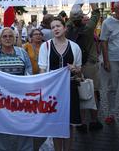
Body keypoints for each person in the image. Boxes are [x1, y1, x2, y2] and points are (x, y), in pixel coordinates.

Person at [38, 17, 82, 151]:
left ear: (65, 28)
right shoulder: (46, 46)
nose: (55, 29)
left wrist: (75, 70)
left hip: (70, 88)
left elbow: (79, 72)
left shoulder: (75, 47)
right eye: (53, 27)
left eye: (58, 26)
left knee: (69, 124)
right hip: (53, 91)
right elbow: (42, 71)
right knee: (56, 124)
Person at [0, 27, 33, 151]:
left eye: (10, 36)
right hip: (2, 99)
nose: (7, 38)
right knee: (4, 128)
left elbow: (29, 70)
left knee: (24, 126)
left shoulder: (22, 52)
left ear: (14, 38)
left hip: (21, 98)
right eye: (4, 36)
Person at [66, 3, 103, 132]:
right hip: (89, 64)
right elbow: (96, 14)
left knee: (78, 92)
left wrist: (78, 3)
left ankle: (81, 122)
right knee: (92, 92)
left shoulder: (68, 29)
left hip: (75, 65)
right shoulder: (87, 29)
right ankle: (94, 120)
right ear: (82, 17)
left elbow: (71, 19)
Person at [100, 1, 119, 124]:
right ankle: (111, 113)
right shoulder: (107, 22)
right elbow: (103, 41)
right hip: (113, 59)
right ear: (115, 9)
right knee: (112, 88)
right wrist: (106, 61)